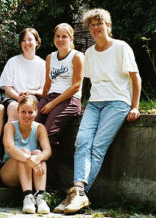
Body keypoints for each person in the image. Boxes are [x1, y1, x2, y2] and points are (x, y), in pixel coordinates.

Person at [54, 8, 142, 214]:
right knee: (82, 141)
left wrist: (135, 106)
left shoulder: (121, 47)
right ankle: (79, 194)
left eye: (98, 24)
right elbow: (87, 81)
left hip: (117, 103)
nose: (95, 28)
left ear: (107, 26)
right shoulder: (90, 53)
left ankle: (77, 193)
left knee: (98, 146)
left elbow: (135, 78)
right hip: (94, 103)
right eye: (91, 25)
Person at [35, 23, 84, 187]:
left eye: (64, 36)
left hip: (70, 100)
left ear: (71, 39)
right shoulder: (50, 57)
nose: (60, 39)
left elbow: (76, 85)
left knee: (48, 134)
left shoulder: (77, 56)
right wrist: (42, 103)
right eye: (57, 36)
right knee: (32, 129)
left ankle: (51, 183)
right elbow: (48, 85)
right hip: (50, 98)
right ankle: (30, 177)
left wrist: (53, 104)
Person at [0, 96, 52, 214]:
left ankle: (40, 197)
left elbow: (47, 151)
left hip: (31, 172)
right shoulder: (10, 126)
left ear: (36, 112)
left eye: (30, 112)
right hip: (10, 172)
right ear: (18, 112)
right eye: (23, 112)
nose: (26, 115)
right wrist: (29, 159)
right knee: (24, 152)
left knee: (39, 153)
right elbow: (9, 147)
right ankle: (28, 197)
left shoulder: (39, 128)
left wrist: (36, 158)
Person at [0, 28, 45, 122]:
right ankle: (10, 136)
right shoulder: (12, 62)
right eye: (23, 40)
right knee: (14, 108)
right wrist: (17, 97)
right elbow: (7, 87)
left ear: (36, 42)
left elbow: (44, 89)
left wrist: (33, 92)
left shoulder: (43, 64)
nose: (26, 43)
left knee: (28, 107)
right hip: (13, 98)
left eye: (29, 39)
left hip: (32, 98)